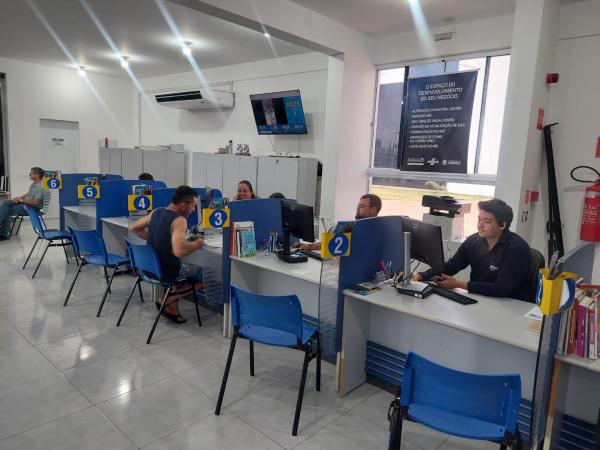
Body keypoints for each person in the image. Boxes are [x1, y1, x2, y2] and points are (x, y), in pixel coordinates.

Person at [413, 198, 532, 300]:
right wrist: (422, 275)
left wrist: (458, 284)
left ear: (502, 225)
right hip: (480, 298)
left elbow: (500, 289)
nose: (480, 225)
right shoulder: (473, 241)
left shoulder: (517, 249)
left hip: (511, 305)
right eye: (479, 219)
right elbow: (450, 267)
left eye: (487, 221)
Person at [129, 185, 204, 323]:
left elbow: (134, 228)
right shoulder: (179, 220)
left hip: (147, 269)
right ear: (183, 204)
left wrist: (160, 238)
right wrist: (198, 243)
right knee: (206, 275)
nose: (193, 210)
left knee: (180, 265)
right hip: (166, 271)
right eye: (193, 206)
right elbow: (179, 251)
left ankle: (172, 308)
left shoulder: (157, 211)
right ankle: (167, 300)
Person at [295, 193, 382, 251]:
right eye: (358, 206)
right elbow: (332, 242)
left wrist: (309, 246)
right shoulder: (352, 226)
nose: (357, 209)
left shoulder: (381, 229)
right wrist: (309, 246)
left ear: (373, 210)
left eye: (361, 206)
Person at [0, 167, 45, 240]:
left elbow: (35, 202)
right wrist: (18, 198)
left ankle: (4, 234)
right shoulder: (34, 184)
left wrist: (20, 200)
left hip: (32, 208)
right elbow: (28, 194)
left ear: (37, 175)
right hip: (26, 204)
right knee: (6, 203)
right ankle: (4, 234)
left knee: (5, 211)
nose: (29, 175)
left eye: (31, 173)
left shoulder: (40, 186)